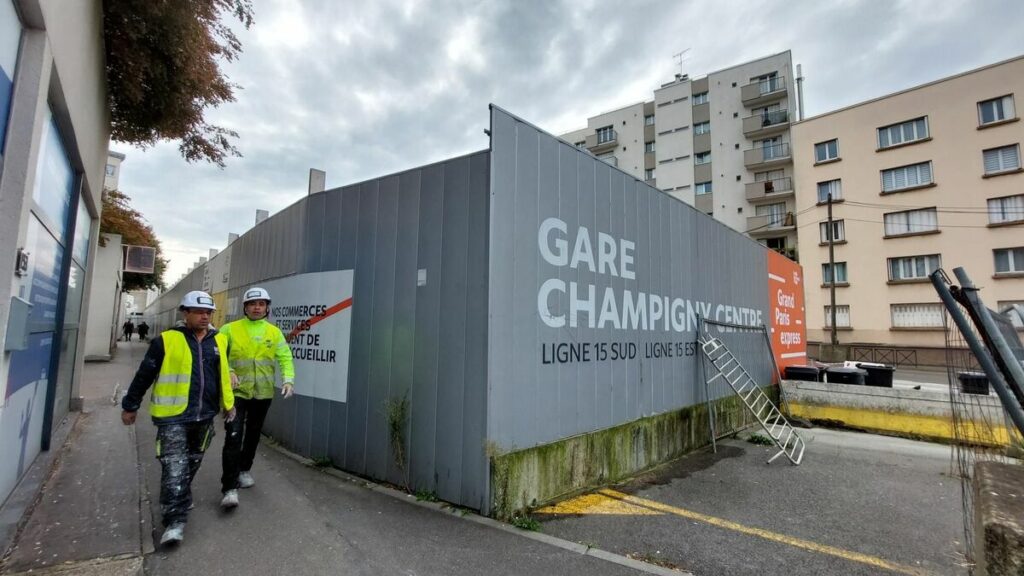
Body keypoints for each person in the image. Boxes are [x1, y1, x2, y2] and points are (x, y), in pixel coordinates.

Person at [121, 291, 235, 546]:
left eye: (208, 312)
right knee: (174, 465)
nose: (205, 316)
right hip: (172, 416)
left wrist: (229, 405)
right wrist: (131, 405)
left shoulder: (219, 341)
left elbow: (224, 375)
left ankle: (181, 495)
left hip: (205, 415)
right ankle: (174, 521)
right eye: (199, 312)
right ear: (185, 312)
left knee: (193, 460)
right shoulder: (166, 340)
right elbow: (144, 375)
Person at [219, 286, 294, 508]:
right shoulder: (228, 329)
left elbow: (285, 357)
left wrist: (288, 379)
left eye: (261, 304)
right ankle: (229, 487)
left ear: (267, 308)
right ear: (245, 307)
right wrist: (229, 370)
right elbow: (218, 355)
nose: (257, 307)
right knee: (233, 436)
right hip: (236, 393)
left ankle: (244, 469)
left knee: (252, 434)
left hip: (262, 394)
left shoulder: (274, 332)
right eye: (252, 304)